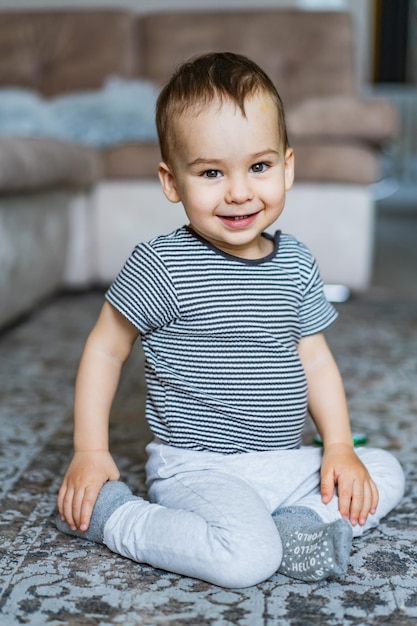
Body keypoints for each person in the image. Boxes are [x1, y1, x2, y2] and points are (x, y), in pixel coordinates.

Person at [56, 52, 405, 588]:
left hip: (286, 460)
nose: (239, 191)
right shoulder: (161, 265)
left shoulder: (296, 262)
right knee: (244, 560)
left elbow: (314, 356)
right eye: (212, 172)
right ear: (172, 183)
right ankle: (115, 517)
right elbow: (106, 348)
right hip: (198, 467)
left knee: (385, 471)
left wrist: (337, 447)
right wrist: (90, 451)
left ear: (287, 166)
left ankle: (299, 524)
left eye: (259, 167)